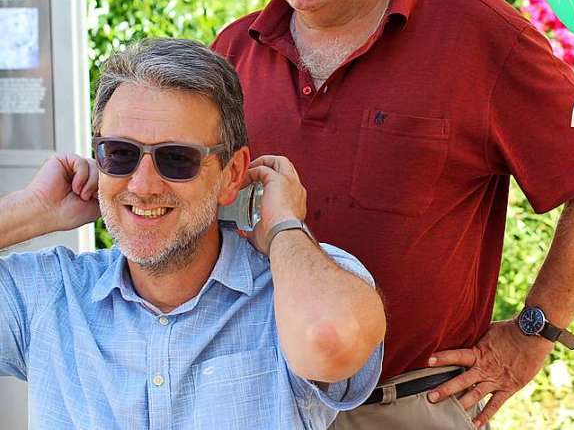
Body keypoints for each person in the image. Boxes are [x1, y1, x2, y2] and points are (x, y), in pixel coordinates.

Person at [212, 0, 574, 428]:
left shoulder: (474, 34)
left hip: (405, 408)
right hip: (255, 402)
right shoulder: (233, 52)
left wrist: (535, 330)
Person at [0, 38, 386, 429]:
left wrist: (283, 226)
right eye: (120, 154)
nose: (143, 184)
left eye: (177, 159)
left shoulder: (297, 286)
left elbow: (330, 339)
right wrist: (32, 211)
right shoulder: (49, 295)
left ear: (232, 173)